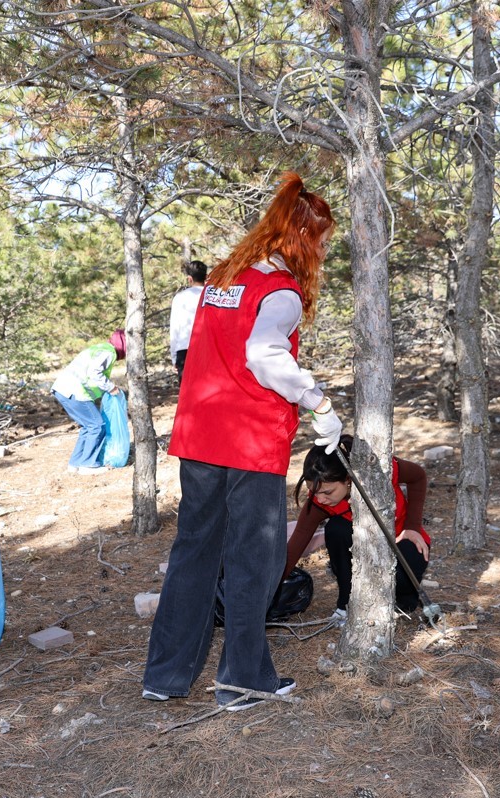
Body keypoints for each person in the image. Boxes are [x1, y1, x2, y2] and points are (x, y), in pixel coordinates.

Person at [143, 173, 343, 712]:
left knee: (195, 551)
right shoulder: (281, 292)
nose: (323, 254)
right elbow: (265, 355)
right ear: (302, 237)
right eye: (322, 243)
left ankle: (165, 674)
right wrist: (318, 402)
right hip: (250, 439)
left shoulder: (225, 278)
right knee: (254, 556)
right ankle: (243, 678)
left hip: (202, 433)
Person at [283, 435, 429, 619]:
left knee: (403, 582)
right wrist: (268, 589)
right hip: (363, 554)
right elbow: (296, 545)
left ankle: (401, 598)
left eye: (327, 492)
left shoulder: (379, 471)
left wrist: (413, 527)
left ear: (347, 479)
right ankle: (347, 603)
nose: (320, 499)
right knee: (336, 529)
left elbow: (418, 476)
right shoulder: (320, 502)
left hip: (401, 543)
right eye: (314, 492)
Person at [51, 330, 125, 475]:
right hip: (75, 391)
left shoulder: (99, 348)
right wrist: (111, 388)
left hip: (62, 389)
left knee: (88, 426)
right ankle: (88, 464)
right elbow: (94, 372)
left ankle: (75, 463)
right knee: (97, 425)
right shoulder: (109, 352)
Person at [169, 260, 208, 385]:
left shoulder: (180, 298)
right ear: (206, 277)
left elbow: (174, 329)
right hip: (208, 348)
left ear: (189, 279)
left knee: (187, 394)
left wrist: (174, 357)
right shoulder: (212, 296)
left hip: (184, 349)